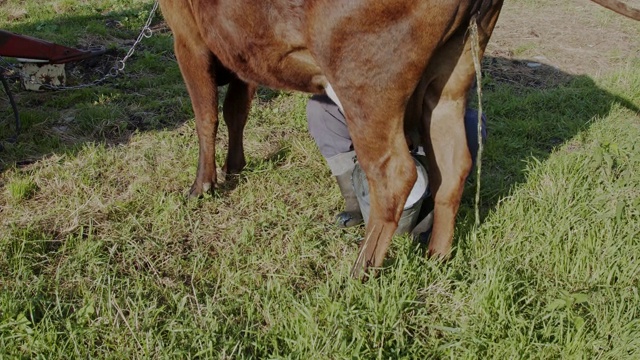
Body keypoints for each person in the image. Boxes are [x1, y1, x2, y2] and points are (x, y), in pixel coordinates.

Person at [306, 94, 486, 237]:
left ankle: (432, 207)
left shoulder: (452, 49)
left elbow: (457, 96)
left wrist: (412, 136)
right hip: (373, 115)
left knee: (471, 123)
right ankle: (354, 198)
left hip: (428, 122)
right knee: (321, 107)